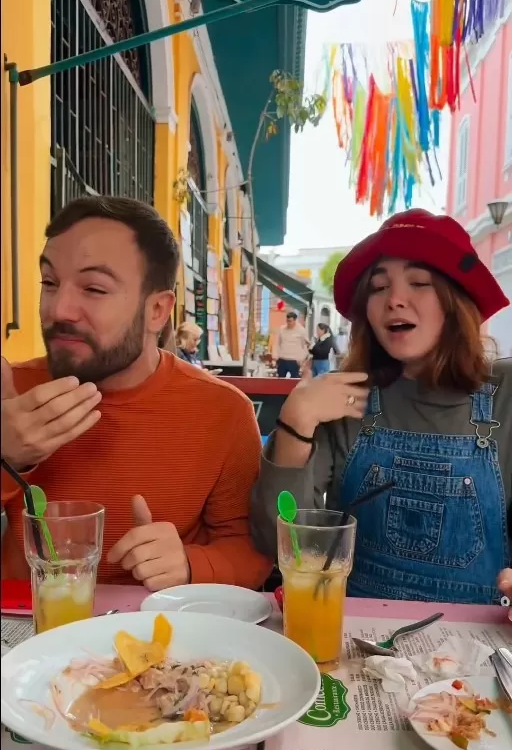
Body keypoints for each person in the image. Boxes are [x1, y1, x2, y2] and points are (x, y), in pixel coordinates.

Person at [1, 196, 271, 591]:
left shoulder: (221, 411)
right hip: (23, 637)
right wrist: (6, 456)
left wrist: (191, 563)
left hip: (160, 637)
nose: (59, 309)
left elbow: (252, 550)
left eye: (94, 288)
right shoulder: (13, 392)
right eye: (49, 283)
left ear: (158, 311)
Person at [251, 209, 512, 607]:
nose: (394, 300)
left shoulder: (506, 394)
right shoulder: (344, 398)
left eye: (420, 282)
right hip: (357, 645)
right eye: (378, 287)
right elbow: (283, 545)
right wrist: (295, 422)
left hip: (478, 654)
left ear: (456, 302)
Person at [275, 312, 309, 378]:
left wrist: (302, 359)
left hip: (294, 360)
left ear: (295, 320)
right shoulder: (281, 329)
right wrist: (276, 356)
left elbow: (305, 346)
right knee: (280, 380)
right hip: (282, 359)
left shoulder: (301, 330)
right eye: (287, 321)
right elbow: (277, 343)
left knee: (294, 380)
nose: (288, 323)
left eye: (290, 321)